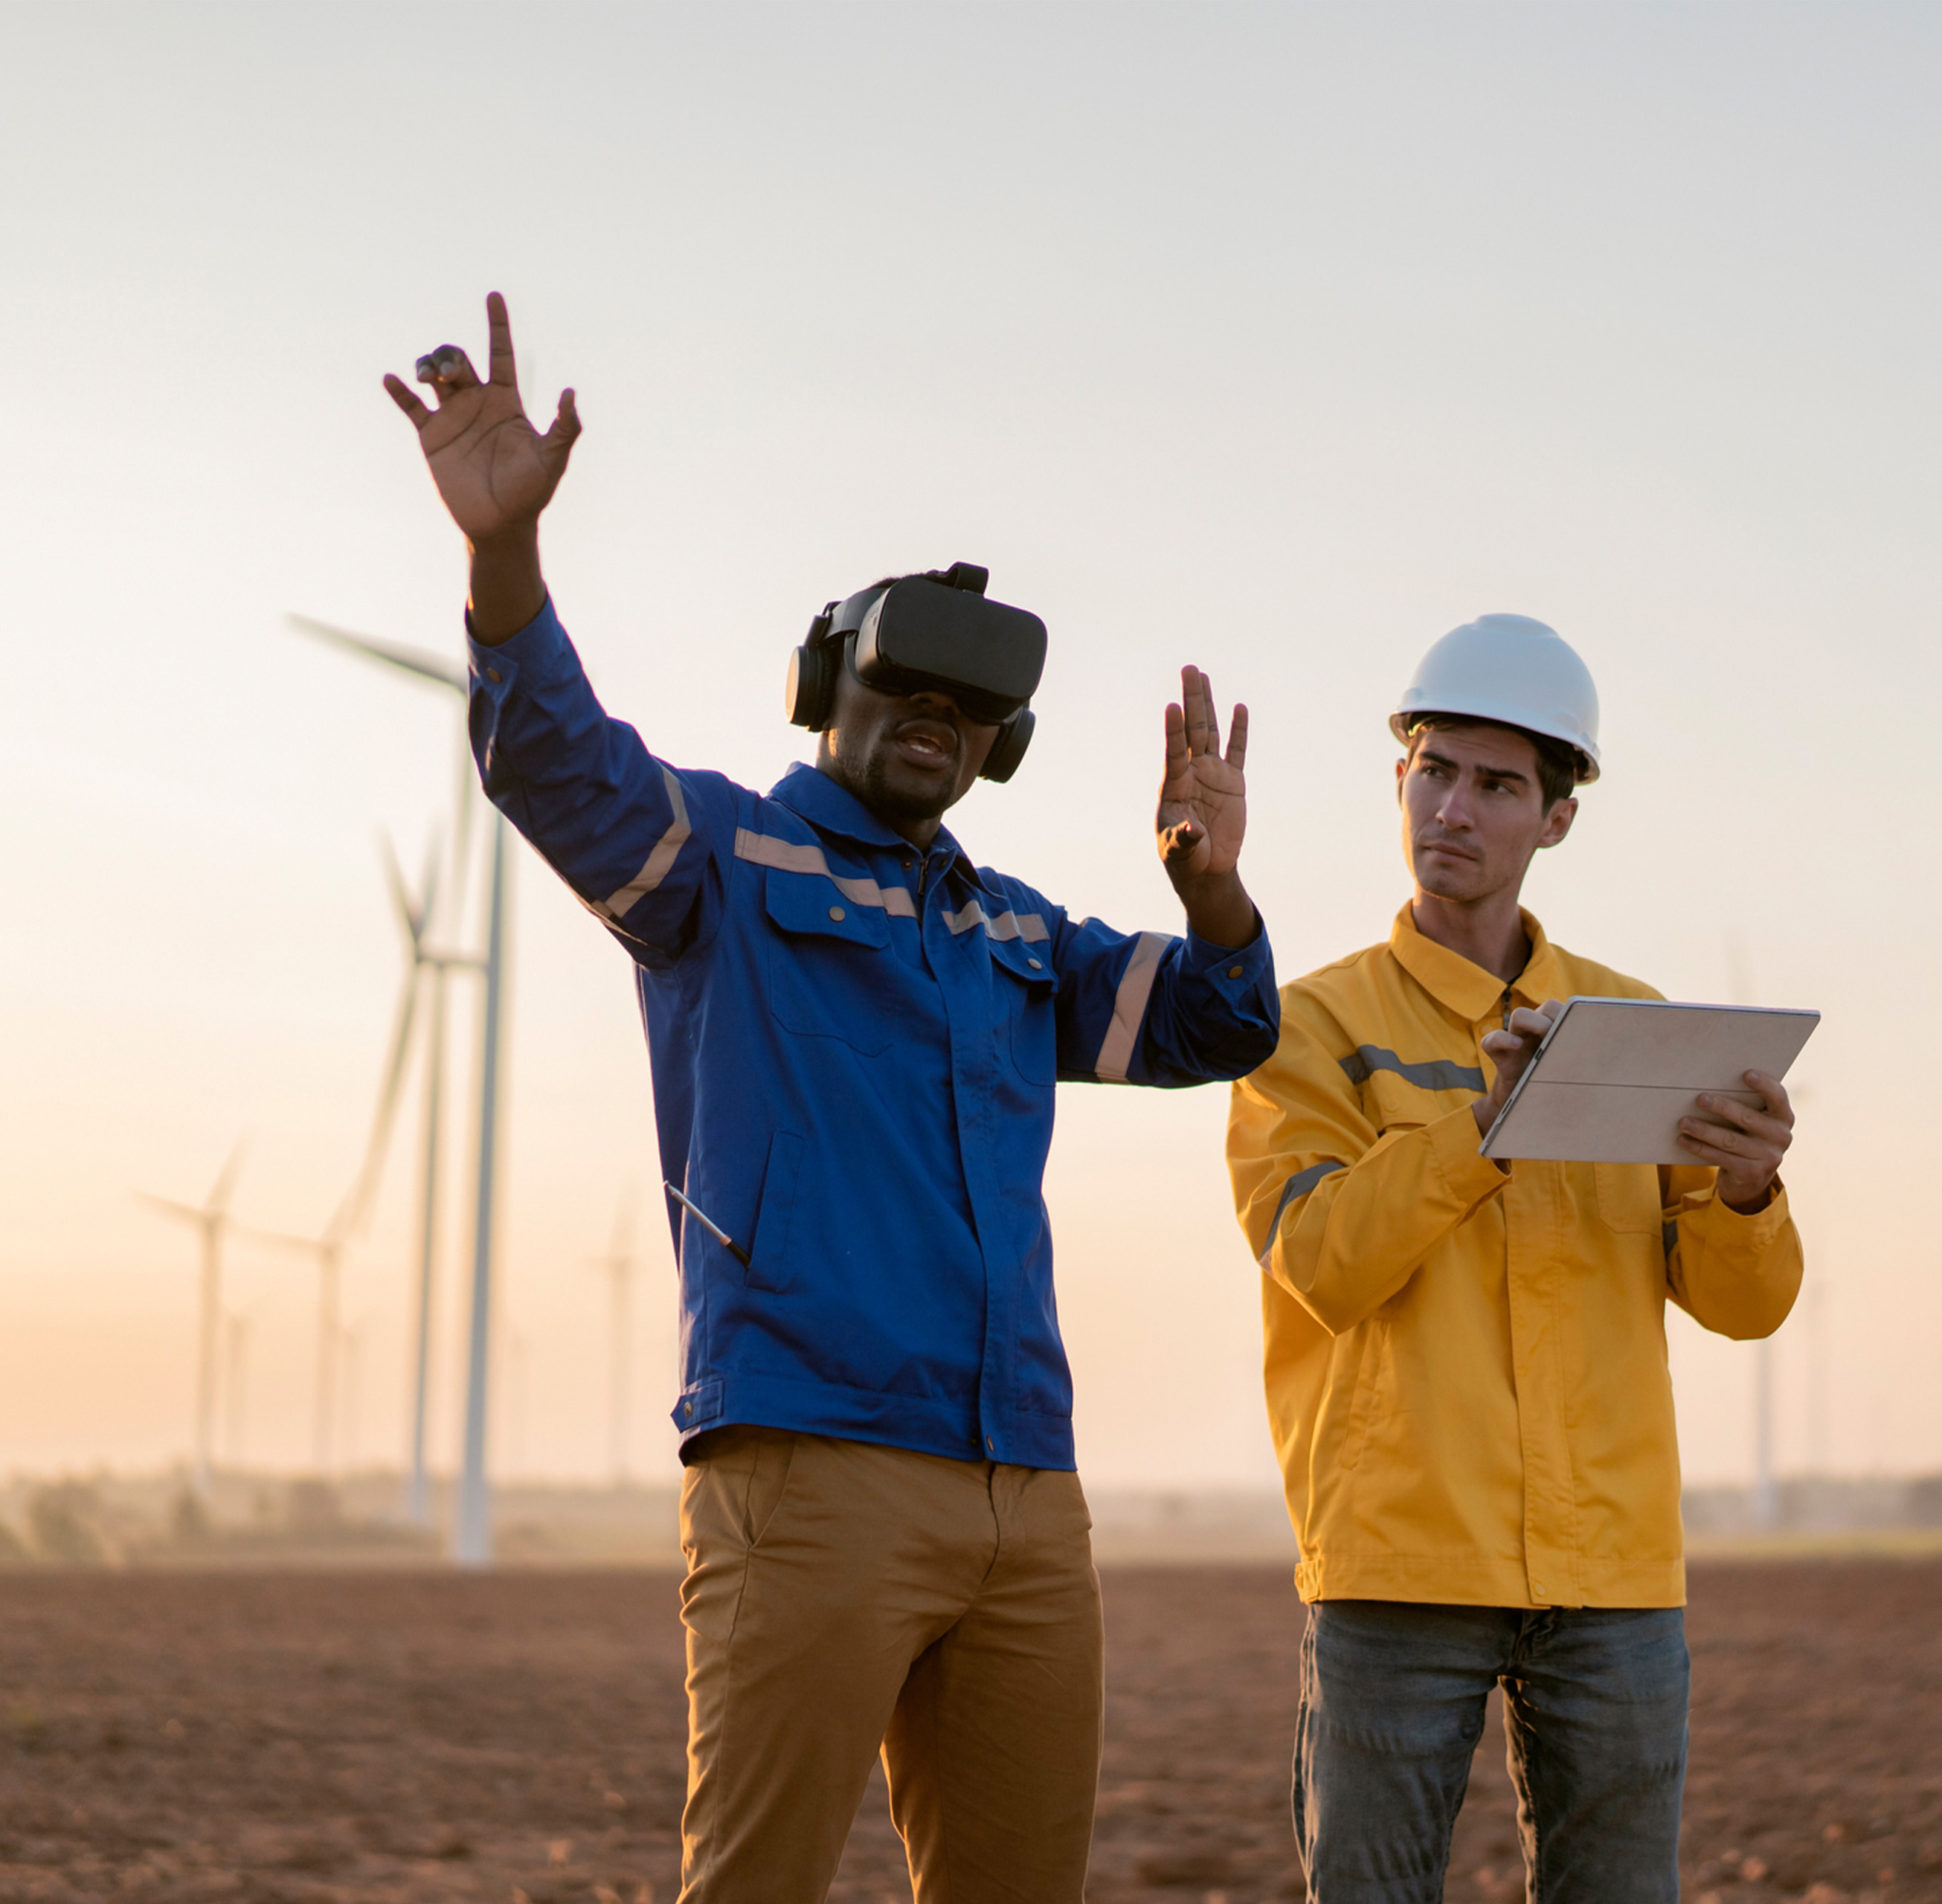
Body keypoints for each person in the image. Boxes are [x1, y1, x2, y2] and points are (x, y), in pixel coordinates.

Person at [384, 294, 1281, 1904]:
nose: (935, 722)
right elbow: (551, 758)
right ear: (825, 689)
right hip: (807, 1464)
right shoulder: (723, 865)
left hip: (1027, 1486)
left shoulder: (1013, 930)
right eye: (904, 691)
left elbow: (1224, 1017)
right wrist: (503, 562)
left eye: (968, 710)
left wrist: (1210, 881)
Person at [1224, 614, 1803, 1903]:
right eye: (1436, 772)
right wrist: (1484, 1129)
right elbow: (1317, 1257)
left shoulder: (1639, 1028)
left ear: (1556, 819)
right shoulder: (1309, 1026)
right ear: (1398, 781)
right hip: (1400, 1561)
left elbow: (1742, 1309)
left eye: (1498, 786)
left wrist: (1749, 1190)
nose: (1457, 810)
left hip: (1612, 1573)